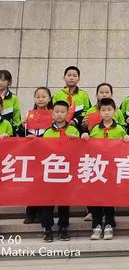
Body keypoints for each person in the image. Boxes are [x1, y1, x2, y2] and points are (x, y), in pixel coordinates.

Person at [81, 98, 129, 240]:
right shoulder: (94, 129)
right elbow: (87, 146)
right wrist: (84, 135)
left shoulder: (120, 129)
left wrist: (127, 138)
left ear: (114, 111)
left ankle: (109, 224)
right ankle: (96, 225)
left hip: (112, 170)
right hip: (97, 169)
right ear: (99, 112)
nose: (106, 113)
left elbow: (127, 145)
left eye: (109, 110)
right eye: (103, 110)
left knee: (109, 198)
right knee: (96, 198)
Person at [41, 101, 80, 242]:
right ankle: (47, 228)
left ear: (67, 113)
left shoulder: (73, 131)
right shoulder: (47, 132)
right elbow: (42, 151)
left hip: (66, 172)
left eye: (62, 111)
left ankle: (63, 227)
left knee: (64, 201)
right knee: (48, 202)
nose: (59, 114)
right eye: (56, 111)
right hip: (50, 172)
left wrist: (77, 140)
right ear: (52, 113)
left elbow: (80, 149)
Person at [19, 87, 53, 225]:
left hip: (47, 154)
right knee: (32, 183)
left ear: (49, 98)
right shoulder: (29, 115)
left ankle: (42, 213)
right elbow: (21, 134)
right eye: (37, 96)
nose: (40, 99)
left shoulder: (53, 114)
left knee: (44, 183)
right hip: (32, 153)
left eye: (43, 96)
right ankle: (30, 212)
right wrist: (23, 126)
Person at [0, 69, 21, 134]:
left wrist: (16, 132)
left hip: (8, 134)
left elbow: (16, 118)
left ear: (9, 82)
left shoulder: (13, 98)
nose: (0, 82)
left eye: (3, 80)